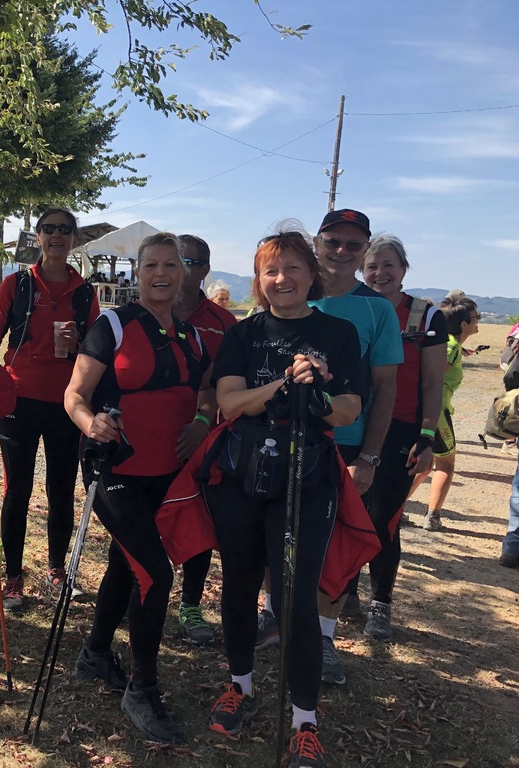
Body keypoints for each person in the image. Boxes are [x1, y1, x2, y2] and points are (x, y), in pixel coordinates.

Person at [204, 229, 362, 767]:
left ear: (311, 274)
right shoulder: (242, 334)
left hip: (308, 476)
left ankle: (304, 721)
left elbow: (348, 410)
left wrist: (316, 393)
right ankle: (241, 687)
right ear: (259, 280)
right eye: (271, 270)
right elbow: (229, 403)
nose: (282, 279)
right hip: (245, 473)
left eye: (293, 267)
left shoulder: (337, 333)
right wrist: (282, 387)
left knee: (295, 596)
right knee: (240, 582)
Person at [65, 232, 215, 743]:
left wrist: (201, 421)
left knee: (125, 564)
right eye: (151, 265)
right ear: (138, 272)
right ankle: (142, 687)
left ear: (184, 273)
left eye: (171, 265)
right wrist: (90, 423)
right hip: (115, 471)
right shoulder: (113, 325)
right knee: (154, 573)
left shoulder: (192, 336)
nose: (161, 273)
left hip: (167, 477)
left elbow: (207, 392)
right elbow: (75, 394)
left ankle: (95, 654)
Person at [258, 209, 402, 687]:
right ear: (317, 243)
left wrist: (370, 457)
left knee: (333, 544)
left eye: (353, 245)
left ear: (364, 252)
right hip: (282, 436)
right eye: (333, 241)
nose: (342, 251)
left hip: (345, 442)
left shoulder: (377, 310)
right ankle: (272, 614)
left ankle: (322, 635)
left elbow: (385, 389)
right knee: (273, 528)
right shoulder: (289, 290)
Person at [0, 208, 99, 610]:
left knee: (61, 489)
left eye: (65, 230)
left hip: (67, 403)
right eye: (49, 229)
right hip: (18, 401)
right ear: (37, 237)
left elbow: (96, 353)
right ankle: (14, 576)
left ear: (73, 239)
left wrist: (78, 341)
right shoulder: (16, 285)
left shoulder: (85, 292)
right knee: (17, 489)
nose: (57, 236)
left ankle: (57, 570)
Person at [357, 237, 447, 640]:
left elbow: (433, 384)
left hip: (401, 431)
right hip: (352, 426)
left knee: (382, 519)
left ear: (403, 269)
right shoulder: (352, 306)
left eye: (388, 265)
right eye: (372, 266)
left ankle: (380, 603)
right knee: (346, 514)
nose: (380, 273)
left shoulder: (425, 316)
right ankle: (344, 592)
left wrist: (426, 438)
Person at [169, 234, 237, 646]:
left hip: (202, 439)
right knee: (141, 518)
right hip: (149, 437)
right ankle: (136, 592)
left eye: (191, 263)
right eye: (176, 261)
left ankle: (190, 603)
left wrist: (202, 422)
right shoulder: (143, 311)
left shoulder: (225, 323)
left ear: (206, 270)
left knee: (198, 520)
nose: (182, 270)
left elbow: (228, 386)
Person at [408, 294, 481, 532]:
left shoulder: (448, 343)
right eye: (476, 317)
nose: (478, 321)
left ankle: (397, 508)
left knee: (424, 464)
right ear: (464, 324)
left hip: (429, 410)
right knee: (445, 465)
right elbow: (432, 376)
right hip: (436, 413)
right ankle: (433, 516)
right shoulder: (450, 346)